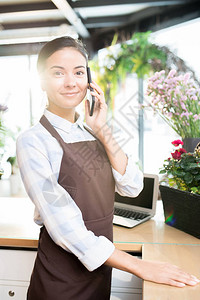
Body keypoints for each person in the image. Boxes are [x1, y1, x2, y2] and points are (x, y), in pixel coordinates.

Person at [16, 36, 199, 300]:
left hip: (101, 270)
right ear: (42, 80)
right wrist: (140, 266)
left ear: (88, 80)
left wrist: (103, 130)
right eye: (58, 73)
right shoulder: (33, 141)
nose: (70, 82)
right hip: (61, 281)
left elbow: (133, 186)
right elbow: (65, 227)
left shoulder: (94, 132)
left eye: (79, 72)